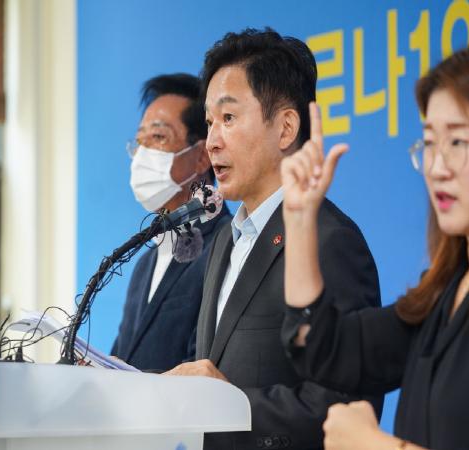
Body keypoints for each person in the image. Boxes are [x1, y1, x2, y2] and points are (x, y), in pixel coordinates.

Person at [165, 28, 382, 449]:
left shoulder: (330, 240)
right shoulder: (225, 240)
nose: (211, 142)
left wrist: (232, 404)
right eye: (209, 123)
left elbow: (347, 405)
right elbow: (209, 372)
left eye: (228, 118)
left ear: (285, 129)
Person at [280, 42, 469, 450]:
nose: (436, 167)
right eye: (429, 143)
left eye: (458, 143)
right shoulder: (445, 292)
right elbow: (324, 350)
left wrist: (370, 444)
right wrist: (300, 220)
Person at [111, 73, 231, 372]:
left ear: (202, 157)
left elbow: (206, 367)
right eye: (140, 142)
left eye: (158, 138)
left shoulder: (227, 244)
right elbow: (122, 360)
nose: (142, 155)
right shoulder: (144, 263)